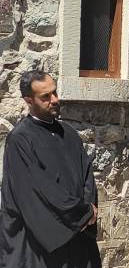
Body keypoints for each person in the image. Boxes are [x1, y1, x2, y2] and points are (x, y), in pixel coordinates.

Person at [1, 71, 101, 268]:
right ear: (29, 100)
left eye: (55, 93)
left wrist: (88, 211)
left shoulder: (70, 134)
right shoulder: (20, 140)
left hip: (78, 240)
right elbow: (38, 192)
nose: (55, 100)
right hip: (39, 248)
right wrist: (81, 214)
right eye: (45, 97)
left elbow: (87, 178)